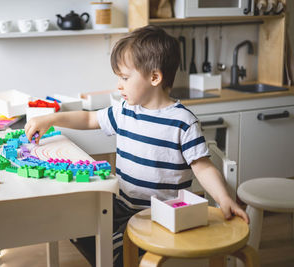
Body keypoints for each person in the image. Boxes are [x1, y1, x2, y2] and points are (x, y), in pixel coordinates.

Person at [24, 25, 249, 267]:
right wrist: (51, 118)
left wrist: (224, 198)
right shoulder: (125, 111)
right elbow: (90, 118)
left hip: (159, 215)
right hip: (122, 203)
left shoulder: (183, 122)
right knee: (75, 221)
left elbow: (203, 167)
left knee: (117, 249)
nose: (119, 85)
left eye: (124, 78)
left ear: (154, 77)